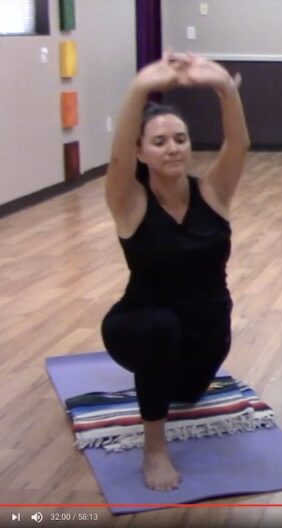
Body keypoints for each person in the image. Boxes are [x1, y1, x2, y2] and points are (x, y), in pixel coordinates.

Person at [101, 53, 250, 490]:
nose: (173, 148)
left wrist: (225, 88)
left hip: (206, 339)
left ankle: (167, 380)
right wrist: (139, 88)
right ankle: (155, 449)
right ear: (141, 152)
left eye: (180, 139)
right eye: (160, 141)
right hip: (139, 325)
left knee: (185, 388)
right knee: (160, 326)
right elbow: (117, 158)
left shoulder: (213, 192)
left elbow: (238, 145)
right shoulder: (130, 201)